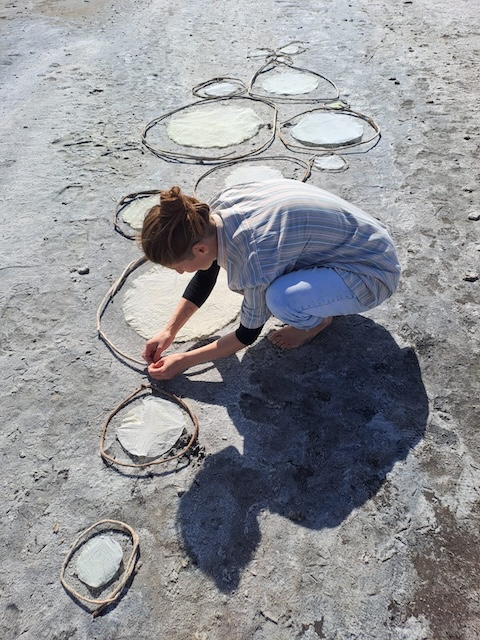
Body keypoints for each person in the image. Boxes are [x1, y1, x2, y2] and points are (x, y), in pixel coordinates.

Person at [140, 179, 400, 380]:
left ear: (199, 249)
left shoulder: (253, 260)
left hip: (372, 274)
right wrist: (168, 331)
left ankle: (314, 323)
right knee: (275, 284)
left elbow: (246, 335)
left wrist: (184, 360)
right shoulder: (216, 209)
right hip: (369, 241)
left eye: (178, 267)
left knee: (279, 299)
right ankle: (321, 300)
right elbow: (207, 273)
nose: (180, 273)